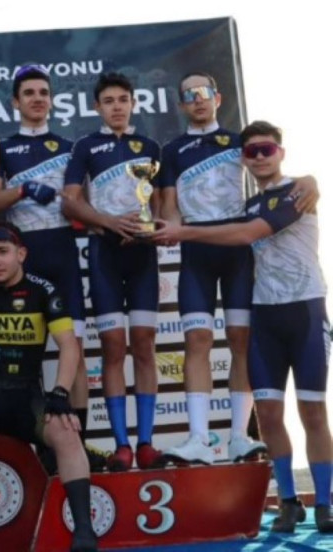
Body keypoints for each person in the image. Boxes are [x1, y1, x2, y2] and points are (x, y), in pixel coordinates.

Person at [155, 120, 331, 534]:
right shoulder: (249, 203)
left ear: (281, 152)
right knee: (268, 416)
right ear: (243, 159)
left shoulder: (299, 191)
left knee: (313, 412)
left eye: (267, 149)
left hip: (305, 313)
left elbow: (248, 234)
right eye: (251, 151)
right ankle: (288, 500)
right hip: (265, 317)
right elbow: (240, 224)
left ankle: (324, 502)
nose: (259, 157)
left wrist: (183, 232)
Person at [158, 72, 321, 465]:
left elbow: (274, 174)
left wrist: (309, 179)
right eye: (189, 94)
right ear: (181, 104)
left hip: (238, 253)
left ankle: (238, 436)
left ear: (217, 98)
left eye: (204, 93)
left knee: (241, 341)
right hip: (197, 253)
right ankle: (199, 438)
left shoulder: (238, 144)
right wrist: (169, 229)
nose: (198, 99)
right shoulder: (172, 150)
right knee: (197, 340)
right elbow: (169, 207)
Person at [0, 63, 104, 471]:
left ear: (52, 100)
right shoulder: (3, 148)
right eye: (29, 93)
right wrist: (22, 190)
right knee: (25, 354)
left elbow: (86, 205)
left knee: (76, 351)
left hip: (63, 255)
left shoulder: (71, 147)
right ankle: (36, 445)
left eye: (43, 93)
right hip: (23, 256)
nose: (37, 99)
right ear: (15, 103)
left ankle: (78, 444)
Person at [0, 223, 96, 552]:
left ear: (21, 254)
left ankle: (84, 533)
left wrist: (60, 392)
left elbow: (69, 346)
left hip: (25, 396)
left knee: (68, 435)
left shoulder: (44, 292)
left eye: (3, 252)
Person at [62, 72, 162, 471]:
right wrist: (108, 221)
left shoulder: (151, 147)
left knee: (145, 344)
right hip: (104, 251)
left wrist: (155, 228)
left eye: (123, 99)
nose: (117, 107)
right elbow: (70, 202)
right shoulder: (86, 146)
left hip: (143, 255)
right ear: (97, 107)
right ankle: (122, 444)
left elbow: (163, 203)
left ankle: (147, 442)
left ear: (133, 103)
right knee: (113, 347)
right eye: (109, 101)